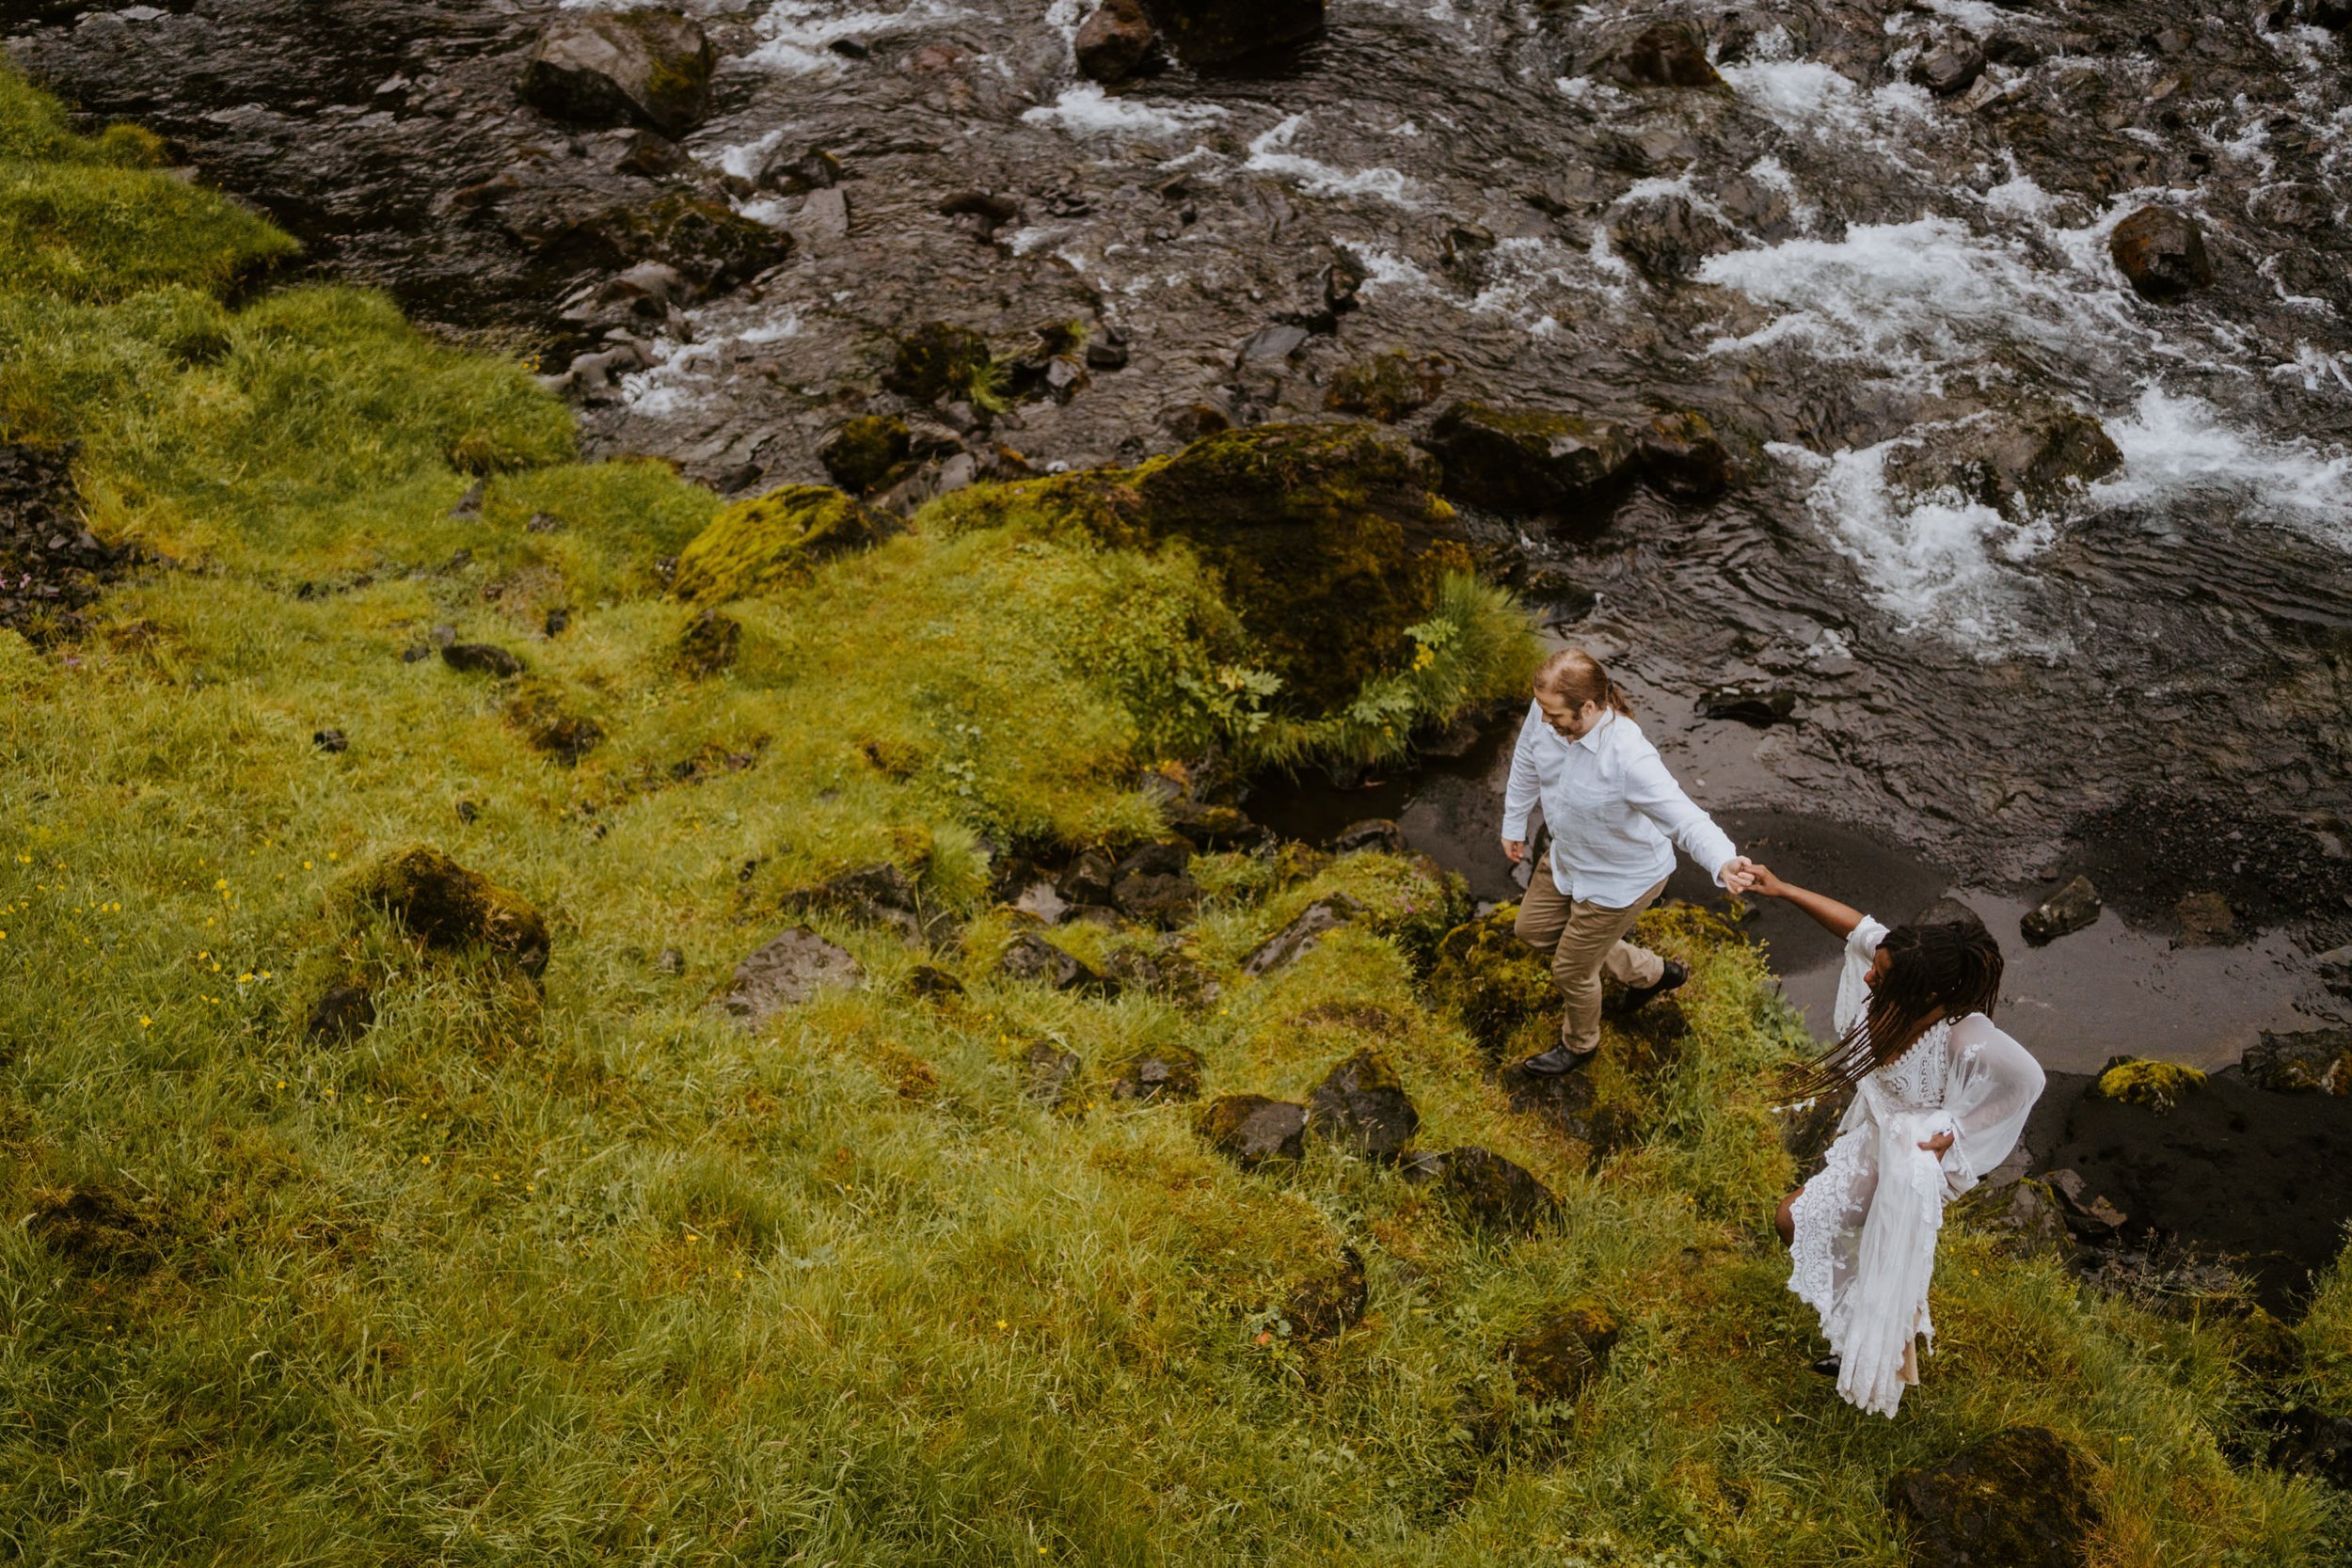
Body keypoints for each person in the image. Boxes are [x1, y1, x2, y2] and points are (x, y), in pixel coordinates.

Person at [1746, 864, 2044, 1418]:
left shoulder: (1964, 1034)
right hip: (1873, 1132)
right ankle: (1871, 1337)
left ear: (1923, 989)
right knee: (1827, 1229)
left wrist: (1955, 1129)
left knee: (1796, 1218)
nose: (1868, 978)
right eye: (1876, 967)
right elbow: (1855, 927)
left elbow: (2027, 1080)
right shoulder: (1901, 963)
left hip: (1910, 1155)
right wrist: (1782, 888)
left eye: (1880, 974)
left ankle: (1871, 1343)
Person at [1500, 648, 1755, 1076]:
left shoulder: (1629, 757)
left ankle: (1580, 1045)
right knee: (1531, 930)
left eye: (1556, 716)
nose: (1545, 721)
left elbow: (1685, 816)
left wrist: (1724, 861)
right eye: (1542, 711)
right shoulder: (1546, 709)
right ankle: (1653, 974)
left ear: (1589, 707)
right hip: (1568, 859)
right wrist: (1514, 823)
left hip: (1619, 882)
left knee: (1571, 970)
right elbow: (1526, 759)